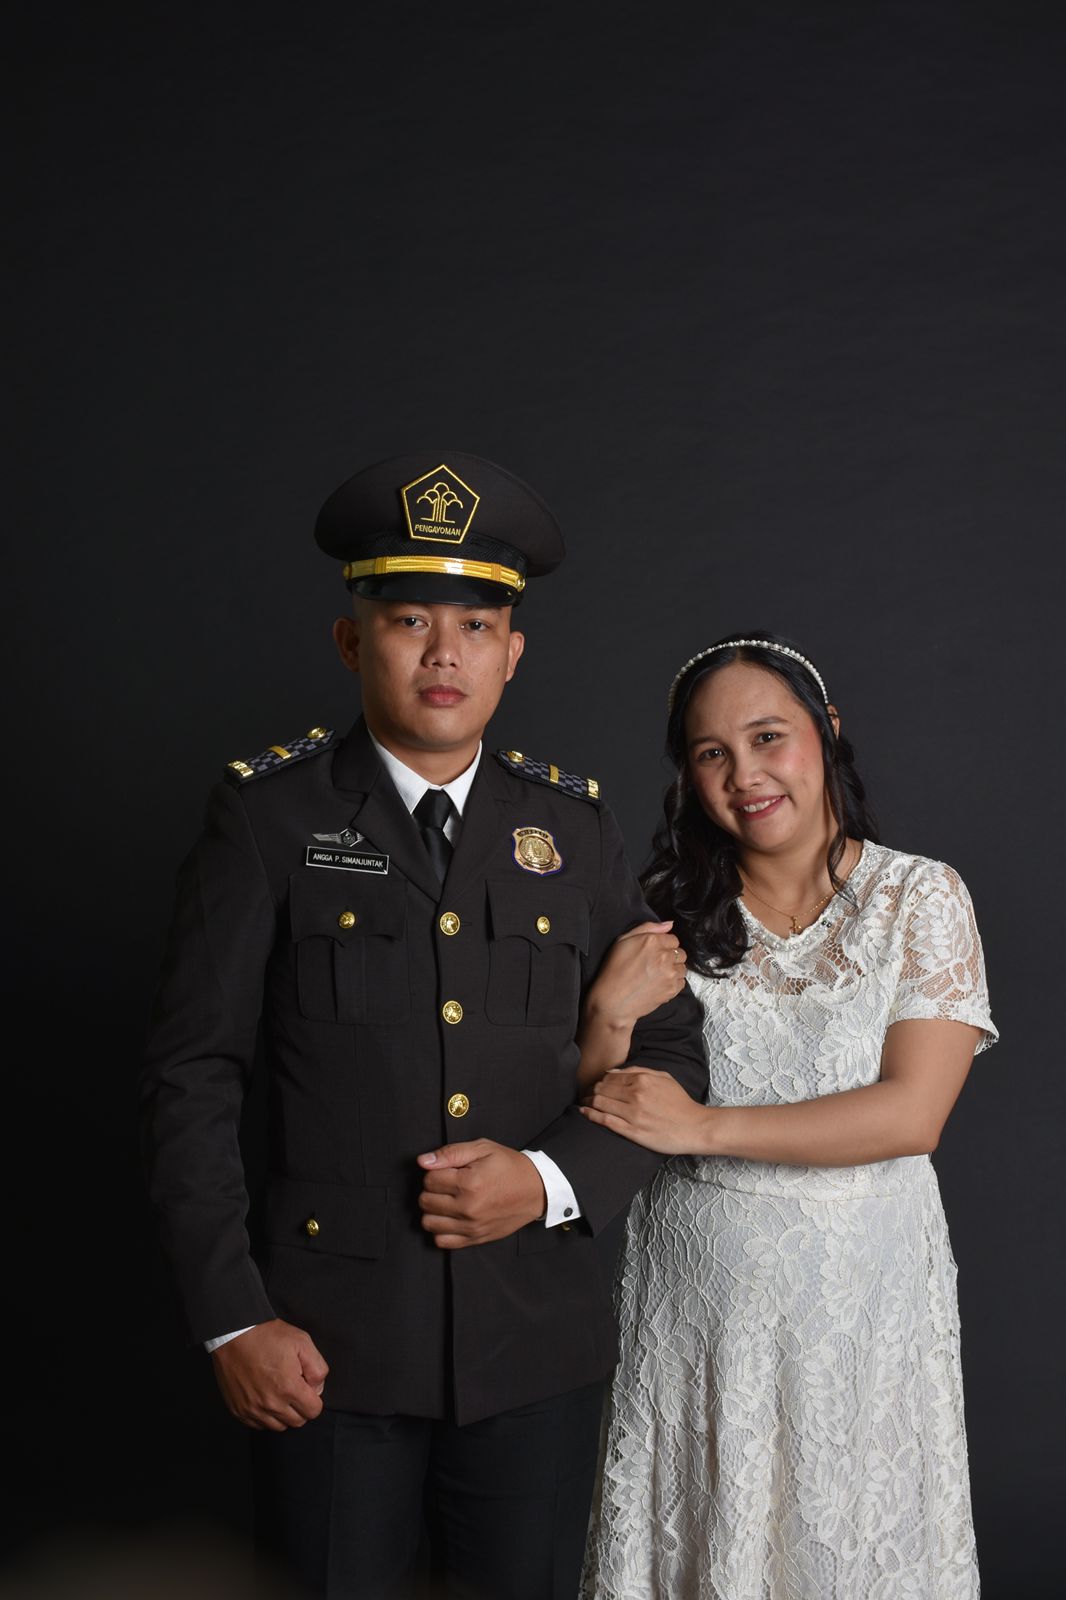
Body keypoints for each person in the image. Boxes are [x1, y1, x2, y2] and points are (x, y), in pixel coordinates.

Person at [138, 450, 707, 1600]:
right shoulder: (268, 818)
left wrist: (548, 1179)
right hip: (324, 1345)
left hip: (533, 1344)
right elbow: (193, 1074)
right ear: (353, 643)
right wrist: (233, 1319)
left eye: (475, 626)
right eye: (409, 621)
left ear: (512, 652)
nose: (444, 654)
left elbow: (669, 1049)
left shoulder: (572, 829)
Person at [576, 633, 996, 1600]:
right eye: (712, 753)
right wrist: (606, 1016)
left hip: (864, 1310)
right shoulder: (661, 916)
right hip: (699, 1309)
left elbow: (913, 1114)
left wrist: (702, 1128)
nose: (746, 774)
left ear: (826, 730)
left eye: (769, 737)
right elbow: (603, 1102)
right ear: (688, 776)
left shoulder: (919, 898)